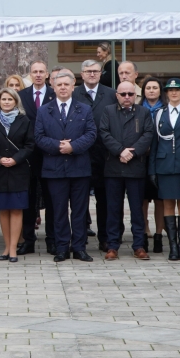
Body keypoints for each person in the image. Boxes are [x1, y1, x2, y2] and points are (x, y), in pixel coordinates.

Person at [35, 69, 97, 262]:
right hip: (54, 169)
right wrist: (59, 147)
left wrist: (73, 147)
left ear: (73, 87)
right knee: (59, 211)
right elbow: (38, 137)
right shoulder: (44, 110)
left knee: (79, 210)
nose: (62, 87)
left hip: (79, 168)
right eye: (59, 84)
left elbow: (91, 134)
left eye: (66, 84)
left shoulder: (84, 109)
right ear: (53, 87)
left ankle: (79, 247)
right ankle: (62, 247)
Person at [98, 81, 154, 260]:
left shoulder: (144, 112)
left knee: (137, 210)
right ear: (117, 95)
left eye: (131, 94)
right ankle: (112, 245)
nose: (127, 97)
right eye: (123, 94)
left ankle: (139, 245)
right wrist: (120, 150)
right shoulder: (108, 111)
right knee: (113, 209)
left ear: (135, 96)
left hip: (135, 167)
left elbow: (148, 134)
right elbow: (104, 133)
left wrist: (133, 152)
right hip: (114, 167)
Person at [149, 78, 180, 261]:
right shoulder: (159, 113)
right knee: (168, 204)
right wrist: (152, 169)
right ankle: (172, 246)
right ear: (166, 93)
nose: (174, 93)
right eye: (170, 90)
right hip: (164, 164)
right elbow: (154, 143)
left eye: (177, 90)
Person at [0, 88, 34, 263]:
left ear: (15, 101)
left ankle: (13, 248)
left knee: (16, 209)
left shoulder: (24, 120)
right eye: (3, 99)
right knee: (3, 210)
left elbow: (29, 145)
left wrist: (15, 159)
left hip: (18, 171)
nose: (6, 102)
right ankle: (6, 246)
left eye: (9, 99)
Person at [73, 59, 115, 253]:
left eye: (95, 71)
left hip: (104, 155)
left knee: (104, 200)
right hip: (79, 155)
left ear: (100, 74)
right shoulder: (74, 94)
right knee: (78, 201)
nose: (92, 74)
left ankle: (105, 238)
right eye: (88, 71)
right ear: (82, 74)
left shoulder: (110, 94)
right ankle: (79, 239)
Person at [19, 61, 54, 256]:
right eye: (35, 72)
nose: (38, 75)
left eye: (42, 71)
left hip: (50, 154)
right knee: (29, 199)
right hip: (28, 155)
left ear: (47, 74)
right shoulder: (22, 96)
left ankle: (52, 240)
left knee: (51, 199)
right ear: (30, 74)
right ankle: (28, 240)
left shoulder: (54, 94)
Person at [140, 76, 165, 253]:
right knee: (142, 198)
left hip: (161, 158)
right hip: (142, 158)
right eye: (148, 88)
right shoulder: (138, 109)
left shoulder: (165, 109)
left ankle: (158, 235)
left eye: (154, 88)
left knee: (160, 199)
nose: (151, 91)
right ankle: (143, 231)